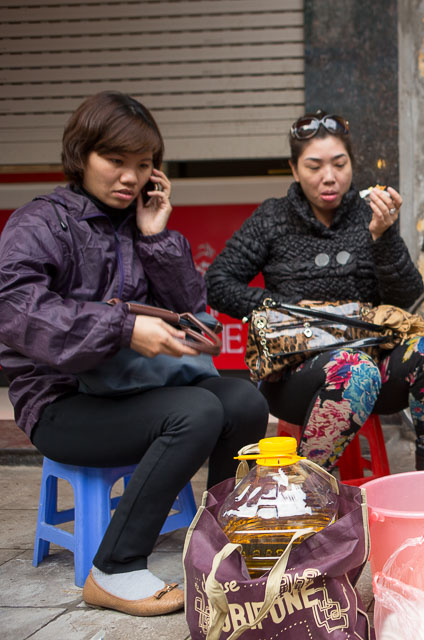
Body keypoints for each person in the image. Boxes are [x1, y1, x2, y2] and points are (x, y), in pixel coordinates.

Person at [0, 92, 268, 615]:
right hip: (61, 401)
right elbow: (15, 311)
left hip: (134, 386)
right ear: (82, 156)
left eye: (143, 164)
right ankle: (115, 569)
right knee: (197, 412)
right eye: (115, 160)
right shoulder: (40, 224)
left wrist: (156, 238)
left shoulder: (140, 227)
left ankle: (219, 544)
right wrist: (124, 328)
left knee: (243, 400)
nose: (129, 176)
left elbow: (197, 320)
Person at [204, 111, 424, 470]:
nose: (329, 177)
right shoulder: (272, 218)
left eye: (339, 164)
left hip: (370, 358)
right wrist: (288, 309)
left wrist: (382, 236)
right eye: (314, 166)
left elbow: (405, 297)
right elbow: (218, 283)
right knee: (354, 371)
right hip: (294, 374)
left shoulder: (367, 214)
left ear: (352, 164)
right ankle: (304, 491)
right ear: (294, 169)